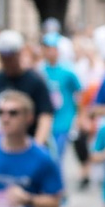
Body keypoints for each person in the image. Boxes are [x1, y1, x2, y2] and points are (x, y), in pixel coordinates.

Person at [0, 30, 54, 146]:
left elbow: (45, 115)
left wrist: (37, 146)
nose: (8, 62)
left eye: (11, 57)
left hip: (27, 145)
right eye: (4, 57)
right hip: (0, 146)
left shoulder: (35, 81)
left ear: (19, 54)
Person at [39, 33, 82, 173]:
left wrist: (79, 116)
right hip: (46, 120)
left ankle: (58, 191)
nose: (50, 52)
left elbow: (79, 93)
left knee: (57, 156)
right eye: (47, 48)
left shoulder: (67, 71)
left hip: (63, 121)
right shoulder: (39, 70)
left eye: (52, 48)